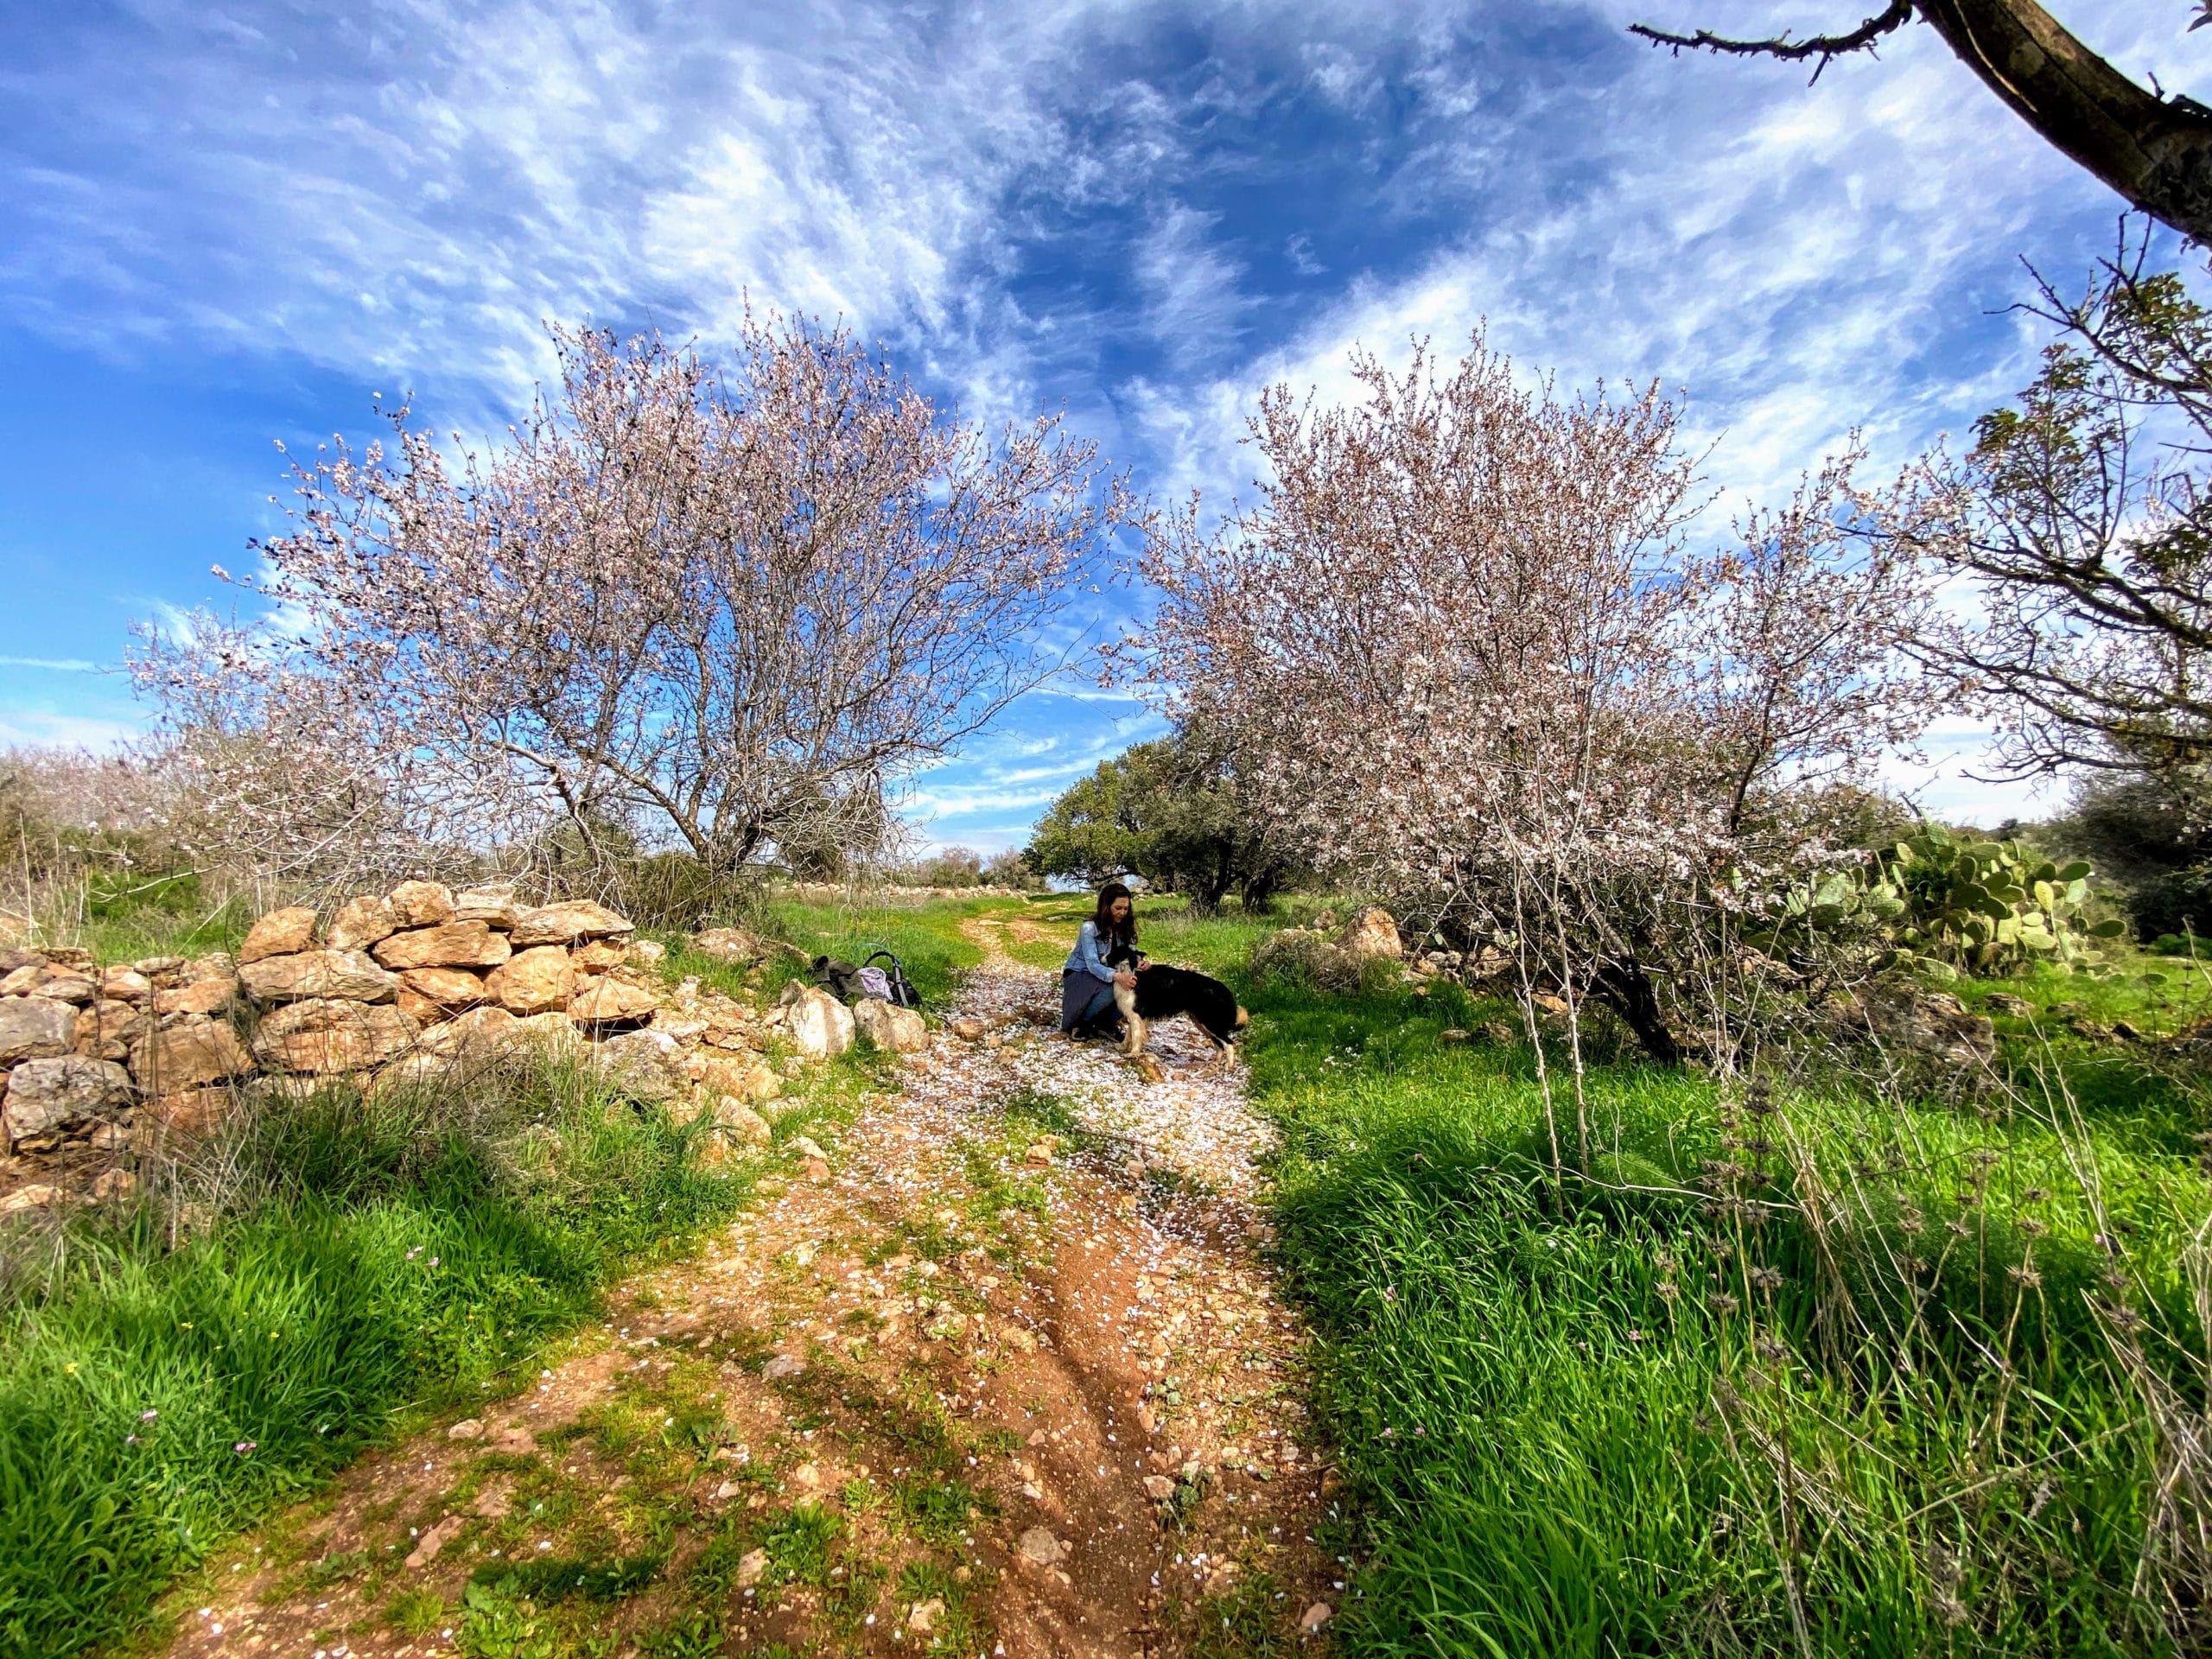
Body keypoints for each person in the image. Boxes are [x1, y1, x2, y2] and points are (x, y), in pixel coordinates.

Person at [1060, 880, 1144, 1040]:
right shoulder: (1089, 928)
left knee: (1134, 985)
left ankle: (1105, 1023)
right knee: (1114, 988)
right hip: (1081, 972)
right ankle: (1081, 1023)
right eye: (1118, 908)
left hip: (1108, 972)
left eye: (1126, 909)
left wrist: (1140, 963)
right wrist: (1118, 977)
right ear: (1107, 907)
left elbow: (1131, 954)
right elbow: (1092, 964)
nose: (1122, 913)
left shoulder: (1125, 929)